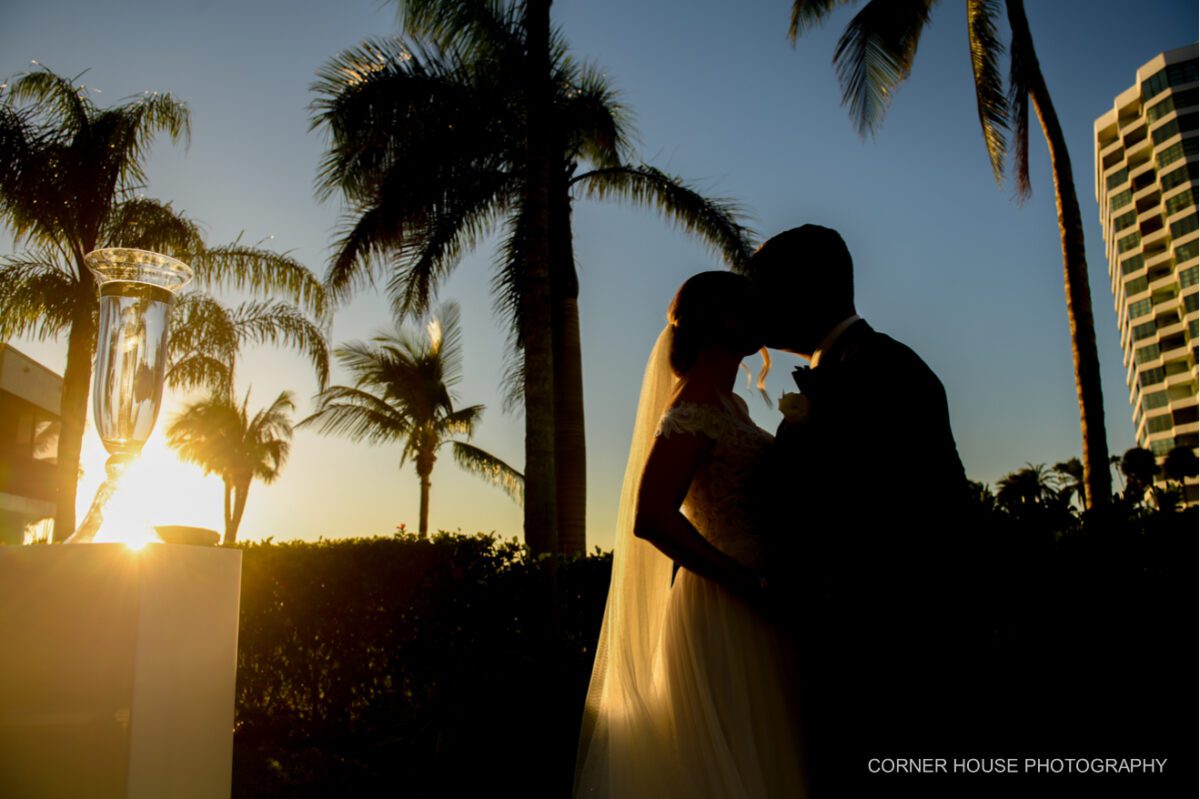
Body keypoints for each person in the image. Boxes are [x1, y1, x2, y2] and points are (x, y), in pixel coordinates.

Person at [748, 224, 980, 797]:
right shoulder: (849, 367)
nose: (755, 307)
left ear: (805, 289)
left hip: (888, 658)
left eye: (764, 289)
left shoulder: (882, 369)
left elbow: (911, 517)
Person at [572, 271, 809, 799]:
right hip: (725, 603)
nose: (762, 318)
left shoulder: (731, 405)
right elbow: (651, 515)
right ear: (720, 319)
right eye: (748, 307)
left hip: (759, 600)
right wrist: (747, 583)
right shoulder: (695, 403)